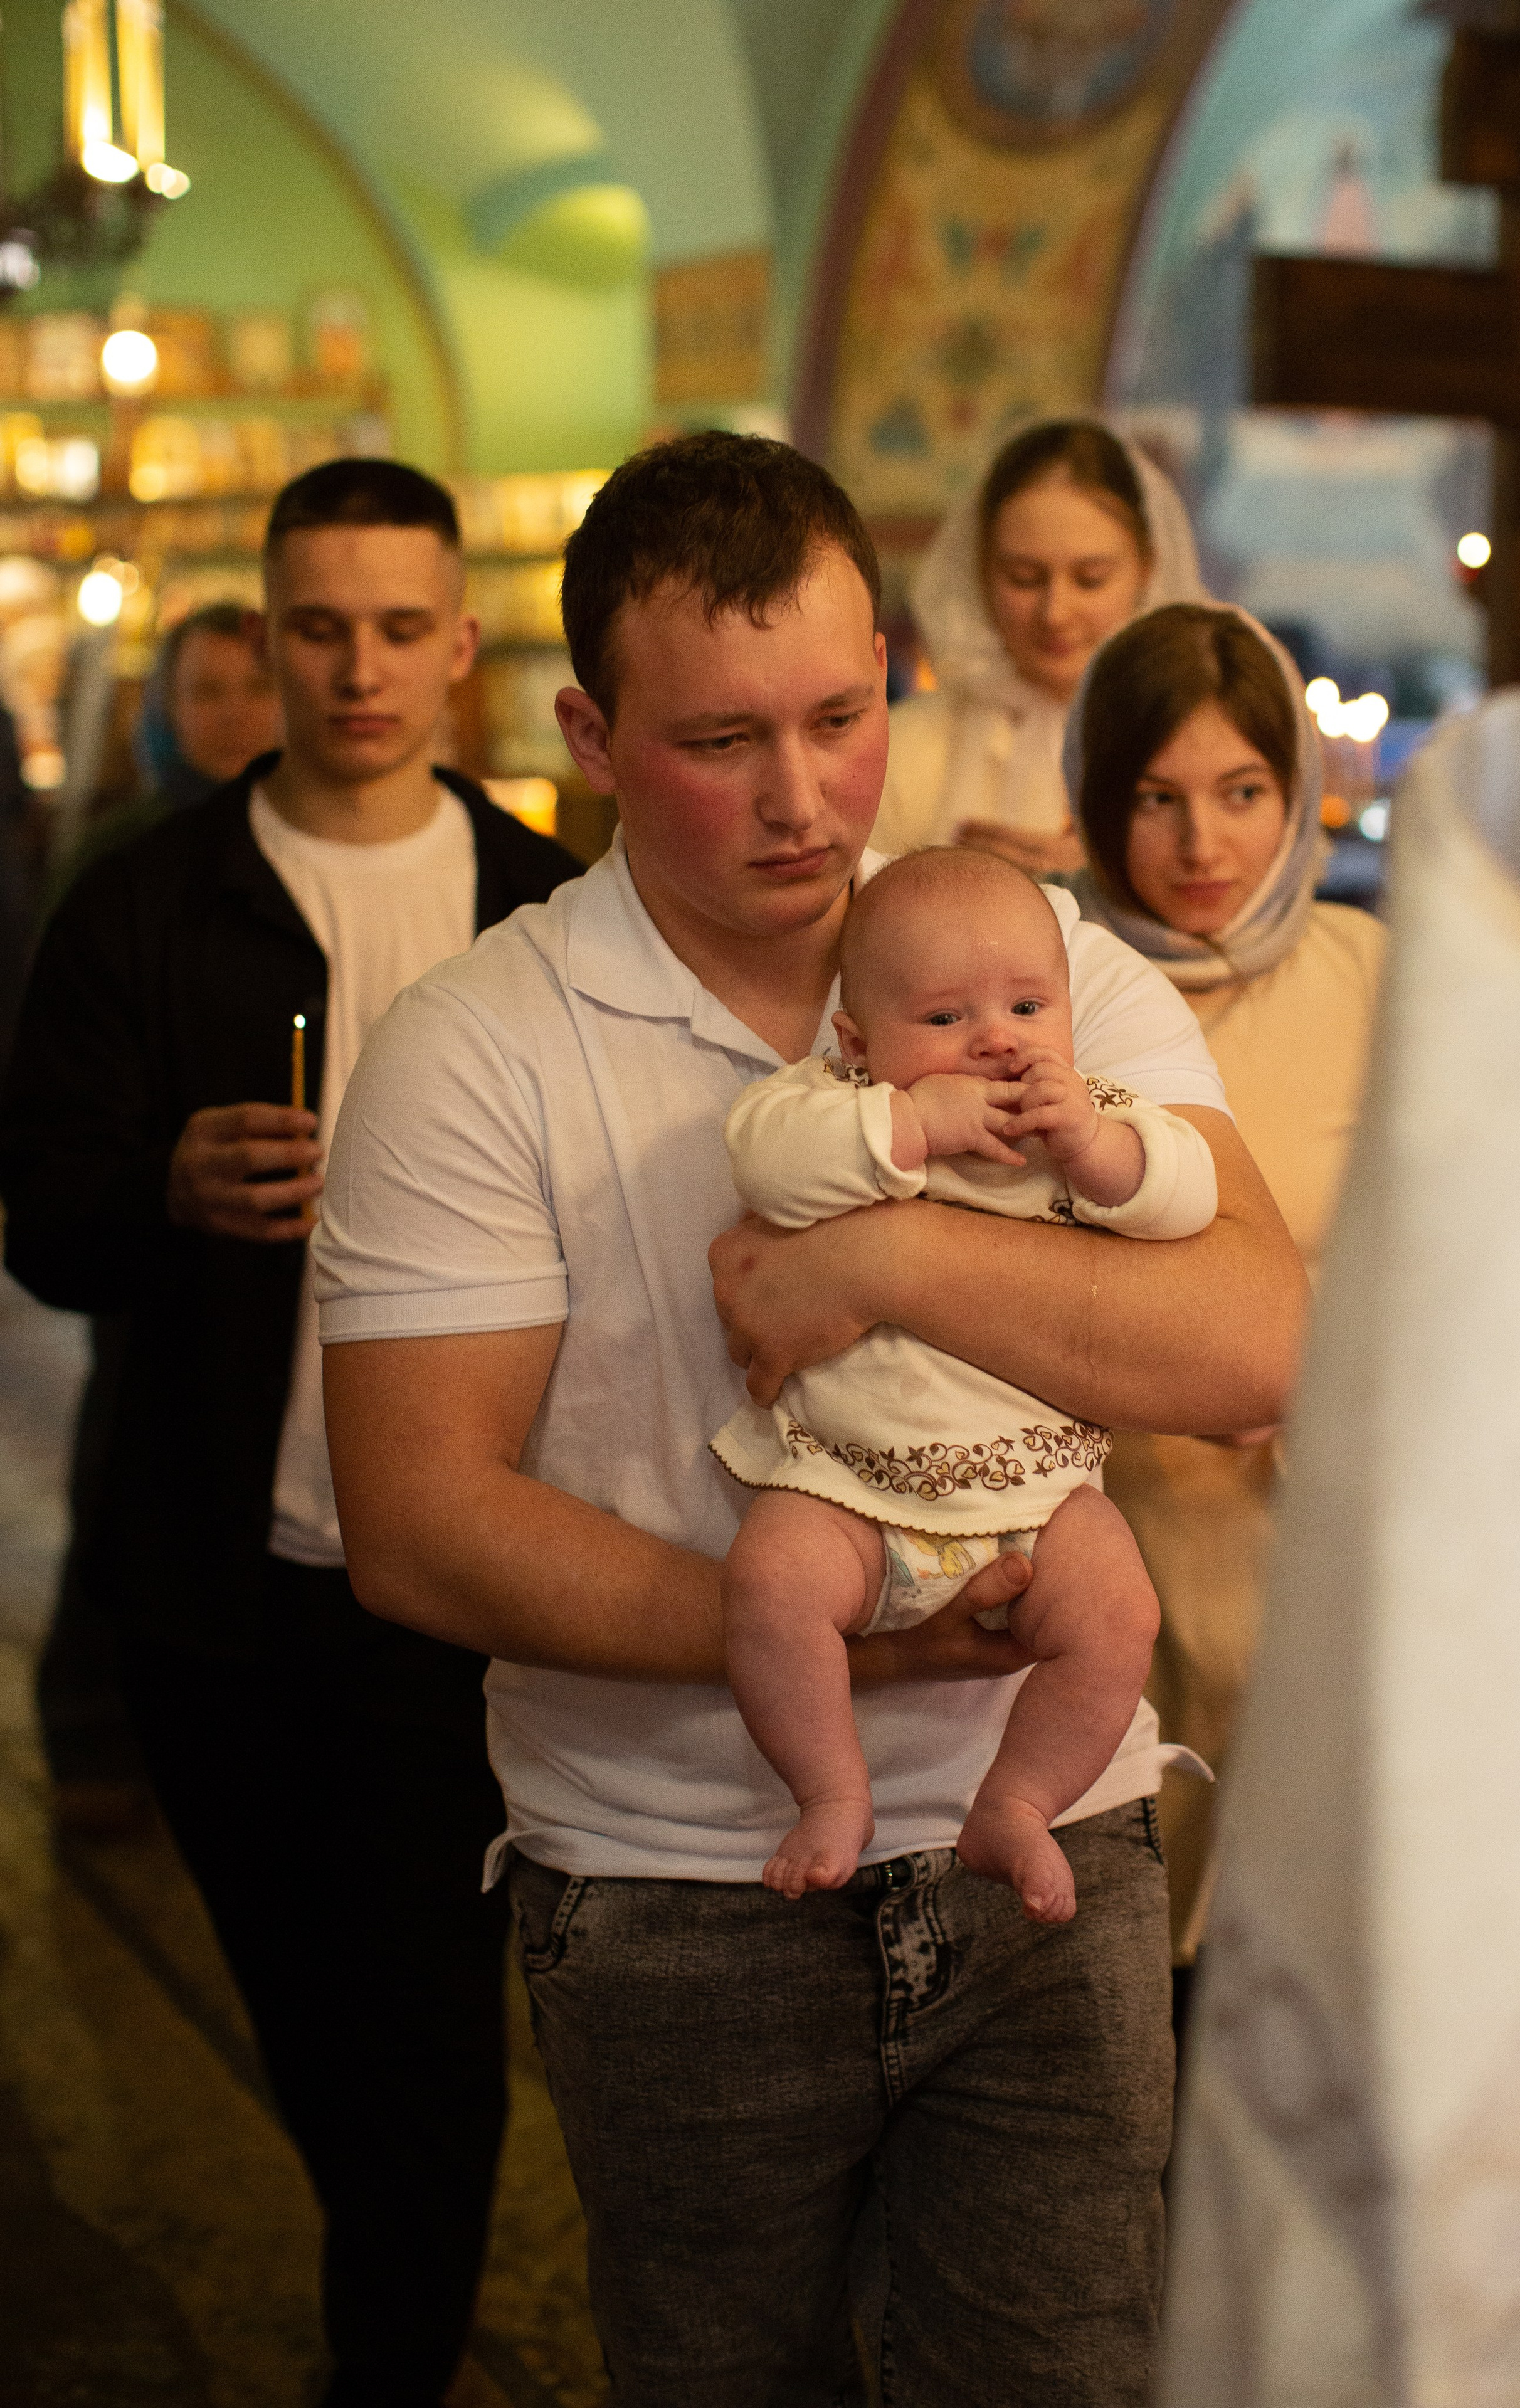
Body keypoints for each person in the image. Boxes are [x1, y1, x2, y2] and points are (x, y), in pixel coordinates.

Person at [312, 431, 1304, 2407]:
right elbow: (417, 1520)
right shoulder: (476, 1045)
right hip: (676, 1876)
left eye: (842, 719)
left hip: (1054, 1851)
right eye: (719, 740)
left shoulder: (1032, 961)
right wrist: (856, 1640)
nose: (800, 797)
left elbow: (1255, 1341)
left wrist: (890, 1262)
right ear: (589, 735)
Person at [0, 457, 581, 2408]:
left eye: (400, 629)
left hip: (468, 1573)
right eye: (318, 628)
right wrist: (160, 1184)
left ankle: (387, 2362)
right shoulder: (149, 901)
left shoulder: (543, 909)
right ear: (265, 635)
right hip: (221, 1573)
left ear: (459, 644)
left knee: (426, 2020)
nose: (359, 670)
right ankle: (388, 2287)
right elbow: (45, 1226)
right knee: (307, 2001)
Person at [715, 846, 1218, 1918]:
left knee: (1119, 1615)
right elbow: (765, 1162)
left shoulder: (1088, 1120)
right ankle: (832, 1791)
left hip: (1042, 1499)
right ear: (858, 1042)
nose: (997, 1038)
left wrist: (1095, 1148)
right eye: (945, 1019)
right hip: (850, 1491)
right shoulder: (836, 1105)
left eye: (1029, 1007)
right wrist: (919, 1125)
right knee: (769, 1586)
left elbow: (1186, 1197)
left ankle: (1019, 1803)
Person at [1053, 601, 1387, 1975]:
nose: (1203, 845)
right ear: (1095, 800)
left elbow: (1451, 1249)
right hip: (1108, 1538)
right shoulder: (1047, 989)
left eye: (1242, 793)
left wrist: (1313, 1364)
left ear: (1296, 793)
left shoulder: (1372, 973)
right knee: (1129, 1946)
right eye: (1157, 798)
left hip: (1331, 1531)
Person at [35, 601, 285, 1835]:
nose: (234, 714)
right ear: (163, 712)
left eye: (253, 687)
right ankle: (93, 1727)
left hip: (286, 1222)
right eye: (207, 691)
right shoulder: (126, 858)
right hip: (153, 1219)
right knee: (129, 1462)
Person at [870, 418, 1208, 872]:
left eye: (1090, 579)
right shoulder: (904, 750)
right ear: (981, 572)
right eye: (1024, 578)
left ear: (1146, 569)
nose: (1055, 613)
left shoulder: (1200, 736)